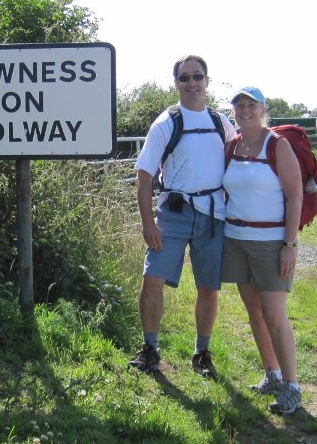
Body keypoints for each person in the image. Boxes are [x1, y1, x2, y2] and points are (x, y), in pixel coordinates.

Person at [128, 55, 236, 379]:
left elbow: (240, 163)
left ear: (207, 81)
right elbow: (144, 175)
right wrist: (148, 223)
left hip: (213, 214)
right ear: (175, 83)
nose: (192, 83)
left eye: (197, 77)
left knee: (208, 287)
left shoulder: (221, 124)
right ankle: (150, 350)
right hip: (173, 213)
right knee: (153, 279)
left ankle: (202, 353)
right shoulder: (166, 123)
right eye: (185, 78)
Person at [221, 86, 304, 414]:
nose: (244, 110)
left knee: (273, 313)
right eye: (239, 105)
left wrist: (290, 244)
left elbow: (295, 195)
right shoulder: (232, 146)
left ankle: (293, 387)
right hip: (236, 239)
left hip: (271, 243)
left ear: (262, 110)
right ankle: (272, 374)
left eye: (251, 105)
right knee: (254, 310)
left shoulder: (277, 145)